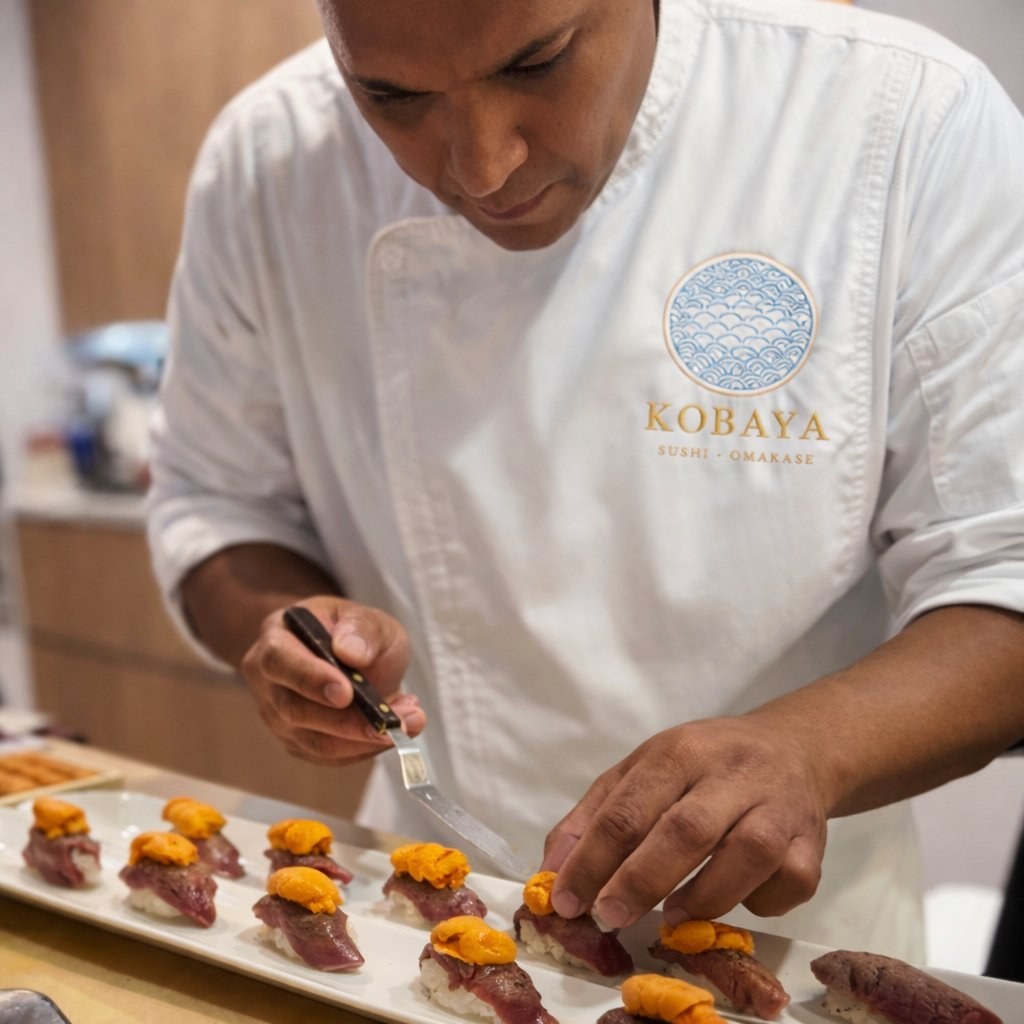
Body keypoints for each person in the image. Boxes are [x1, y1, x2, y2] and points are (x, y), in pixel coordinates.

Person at [146, 0, 1024, 959]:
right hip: (425, 910)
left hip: (795, 934)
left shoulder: (900, 116)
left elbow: (1004, 570)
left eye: (539, 62)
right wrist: (291, 631)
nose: (481, 166)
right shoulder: (269, 159)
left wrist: (812, 747)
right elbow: (215, 503)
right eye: (392, 97)